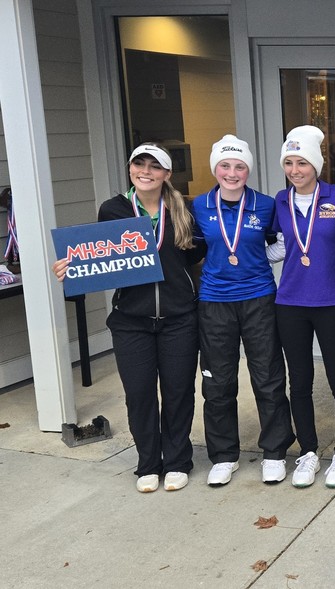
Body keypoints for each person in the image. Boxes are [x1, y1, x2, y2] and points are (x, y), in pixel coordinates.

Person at [53, 143, 204, 493]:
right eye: (140, 164)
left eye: (155, 166)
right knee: (139, 395)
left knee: (178, 392)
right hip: (130, 320)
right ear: (130, 168)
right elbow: (98, 257)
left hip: (179, 318)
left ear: (167, 174)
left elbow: (198, 254)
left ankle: (178, 461)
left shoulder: (183, 208)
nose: (146, 171)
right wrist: (71, 269)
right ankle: (149, 463)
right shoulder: (114, 209)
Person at [193, 134, 295, 487]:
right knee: (217, 382)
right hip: (214, 301)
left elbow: (285, 243)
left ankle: (274, 452)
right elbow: (187, 250)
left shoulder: (265, 205)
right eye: (225, 165)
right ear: (215, 168)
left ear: (248, 170)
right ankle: (223, 455)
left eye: (239, 166)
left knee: (267, 377)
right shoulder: (199, 206)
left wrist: (256, 259)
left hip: (259, 298)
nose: (232, 173)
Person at [272, 125, 335, 488]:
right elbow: (276, 246)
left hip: (332, 301)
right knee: (300, 381)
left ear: (317, 165)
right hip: (290, 301)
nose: (295, 170)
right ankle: (308, 451)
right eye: (289, 163)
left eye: (302, 162)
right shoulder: (278, 201)